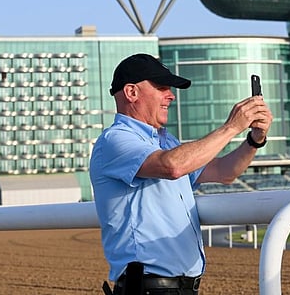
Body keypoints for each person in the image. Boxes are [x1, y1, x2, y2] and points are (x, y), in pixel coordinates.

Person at [90, 53, 273, 295]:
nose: (171, 95)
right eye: (162, 87)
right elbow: (172, 166)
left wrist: (254, 139)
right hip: (149, 289)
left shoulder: (166, 141)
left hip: (178, 288)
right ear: (132, 93)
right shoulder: (114, 140)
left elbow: (223, 171)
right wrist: (232, 126)